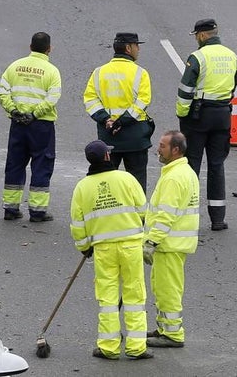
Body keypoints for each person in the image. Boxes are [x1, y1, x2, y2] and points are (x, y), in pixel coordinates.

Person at [70, 140, 151, 361]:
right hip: (131, 245)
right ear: (107, 157)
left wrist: (84, 247)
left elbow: (78, 225)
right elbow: (144, 211)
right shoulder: (126, 179)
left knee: (107, 298)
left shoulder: (82, 187)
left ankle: (109, 347)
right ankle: (136, 346)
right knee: (135, 295)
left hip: (103, 250)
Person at [176, 18, 237, 231]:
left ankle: (187, 217)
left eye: (196, 35)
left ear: (203, 35)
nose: (196, 39)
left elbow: (186, 90)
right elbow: (233, 85)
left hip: (198, 116)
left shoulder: (198, 57)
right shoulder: (232, 56)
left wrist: (183, 115)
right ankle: (218, 218)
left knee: (191, 166)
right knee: (216, 165)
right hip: (223, 115)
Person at [0, 32, 62, 221]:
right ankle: (38, 212)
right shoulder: (52, 71)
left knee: (15, 163)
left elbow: (2, 93)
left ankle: (10, 209)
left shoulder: (14, 66)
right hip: (41, 126)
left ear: (30, 47)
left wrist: (15, 111)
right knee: (42, 164)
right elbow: (52, 98)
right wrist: (34, 114)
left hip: (18, 124)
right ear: (49, 49)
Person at [144, 130, 199, 349]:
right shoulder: (182, 171)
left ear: (175, 150)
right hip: (174, 244)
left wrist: (152, 241)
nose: (158, 149)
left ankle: (173, 334)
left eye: (163, 146)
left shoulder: (174, 178)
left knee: (168, 290)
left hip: (169, 244)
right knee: (162, 287)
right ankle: (165, 328)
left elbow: (166, 215)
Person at [83, 32, 156, 193]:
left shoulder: (99, 72)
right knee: (136, 185)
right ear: (128, 48)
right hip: (135, 137)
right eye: (137, 45)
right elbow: (143, 101)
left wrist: (106, 120)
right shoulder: (140, 73)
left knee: (106, 184)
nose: (139, 49)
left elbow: (90, 99)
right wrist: (122, 121)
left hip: (108, 137)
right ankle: (138, 217)